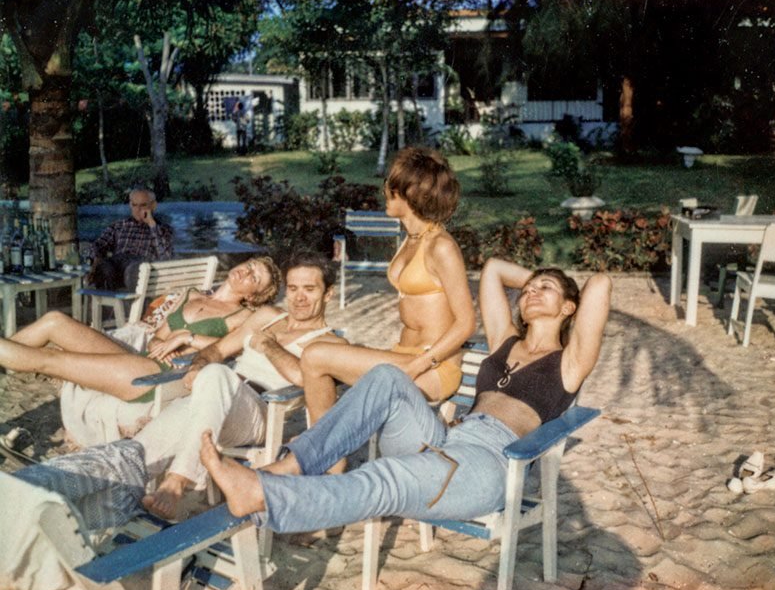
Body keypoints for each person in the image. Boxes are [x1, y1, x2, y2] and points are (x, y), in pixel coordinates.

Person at [196, 258, 612, 535]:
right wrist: (540, 285)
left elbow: (601, 283)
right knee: (386, 377)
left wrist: (551, 283)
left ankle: (264, 496)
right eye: (529, 289)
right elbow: (491, 271)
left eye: (547, 290)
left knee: (386, 478)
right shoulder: (506, 340)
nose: (532, 292)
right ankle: (293, 464)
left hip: (489, 463)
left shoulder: (570, 362)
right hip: (445, 436)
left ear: (571, 308)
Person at [136, 250, 347, 519]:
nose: (299, 298)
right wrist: (199, 364)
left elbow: (303, 379)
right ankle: (119, 494)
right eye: (293, 288)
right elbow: (217, 351)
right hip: (214, 400)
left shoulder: (331, 343)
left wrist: (268, 345)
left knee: (216, 376)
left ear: (328, 294)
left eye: (309, 289)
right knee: (140, 451)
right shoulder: (267, 316)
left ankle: (179, 480)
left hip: (258, 414)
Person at [300, 147, 475, 431]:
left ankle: (324, 460)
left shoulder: (441, 246)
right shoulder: (411, 239)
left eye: (391, 186)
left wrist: (418, 364)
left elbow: (466, 322)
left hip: (432, 368)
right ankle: (326, 459)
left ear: (409, 193)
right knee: (315, 354)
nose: (385, 190)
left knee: (315, 355)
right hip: (403, 354)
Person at [0, 257, 281, 402]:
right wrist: (161, 340)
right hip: (143, 359)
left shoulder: (242, 315)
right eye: (250, 265)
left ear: (254, 295)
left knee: (52, 360)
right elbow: (157, 337)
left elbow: (232, 349)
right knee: (55, 321)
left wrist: (188, 338)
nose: (246, 271)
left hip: (165, 376)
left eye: (254, 277)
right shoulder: (191, 294)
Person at [89, 187, 174, 290]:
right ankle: (111, 302)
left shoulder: (163, 230)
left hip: (141, 268)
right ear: (130, 205)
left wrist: (152, 225)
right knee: (104, 266)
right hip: (117, 266)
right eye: (134, 205)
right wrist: (96, 259)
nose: (138, 210)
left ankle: (131, 303)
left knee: (134, 269)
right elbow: (97, 245)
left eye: (143, 205)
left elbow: (166, 258)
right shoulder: (120, 226)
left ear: (153, 206)